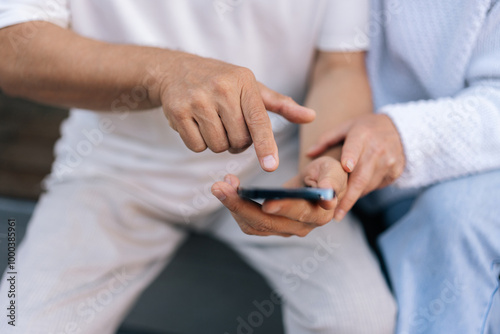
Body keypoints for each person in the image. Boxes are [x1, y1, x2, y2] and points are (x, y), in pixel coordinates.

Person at [0, 1, 396, 333]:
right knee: (21, 321)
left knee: (359, 318)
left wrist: (325, 163)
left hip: (277, 164)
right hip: (113, 163)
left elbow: (339, 65)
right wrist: (166, 72)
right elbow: (12, 46)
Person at [303, 1, 500, 333]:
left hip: (469, 166)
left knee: (455, 218)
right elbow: (337, 67)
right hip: (381, 181)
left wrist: (406, 136)